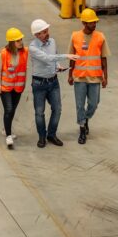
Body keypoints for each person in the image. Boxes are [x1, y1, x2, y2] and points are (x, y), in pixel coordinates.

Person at [28, 19, 79, 148]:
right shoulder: (33, 48)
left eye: (47, 31)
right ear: (37, 35)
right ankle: (41, 137)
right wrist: (66, 56)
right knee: (39, 112)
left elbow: (53, 56)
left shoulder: (53, 42)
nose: (47, 33)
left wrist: (58, 66)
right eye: (44, 32)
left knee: (57, 109)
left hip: (53, 82)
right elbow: (47, 58)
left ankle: (51, 134)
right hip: (39, 84)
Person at [67, 8, 110, 144]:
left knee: (94, 103)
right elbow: (72, 58)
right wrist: (70, 74)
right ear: (84, 23)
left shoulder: (100, 37)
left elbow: (104, 59)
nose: (94, 25)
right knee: (80, 105)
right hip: (79, 77)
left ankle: (85, 119)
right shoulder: (75, 36)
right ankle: (82, 129)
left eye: (95, 22)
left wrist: (105, 77)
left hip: (95, 77)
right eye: (92, 23)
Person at [0, 27, 28, 149]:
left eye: (21, 39)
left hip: (18, 87)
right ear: (11, 42)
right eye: (17, 40)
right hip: (5, 87)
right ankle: (8, 136)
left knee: (13, 109)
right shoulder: (3, 53)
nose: (20, 42)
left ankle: (6, 129)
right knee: (9, 109)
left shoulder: (25, 52)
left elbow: (24, 69)